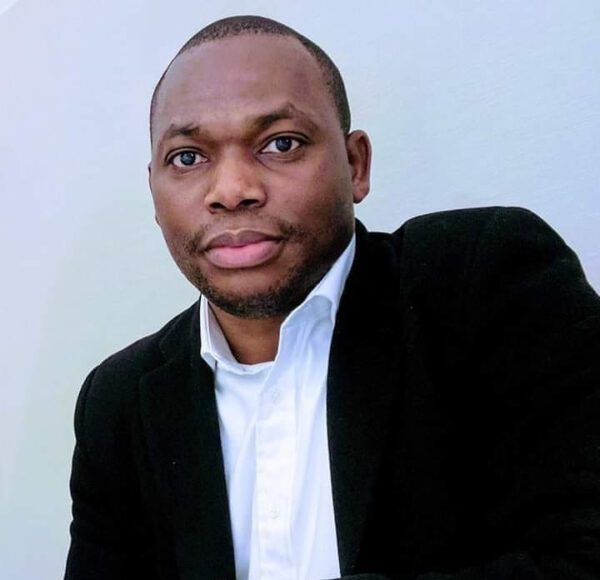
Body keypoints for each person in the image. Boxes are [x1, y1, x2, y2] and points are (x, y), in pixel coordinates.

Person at [64, 14, 600, 580]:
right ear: (154, 191)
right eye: (188, 158)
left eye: (281, 144)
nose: (232, 190)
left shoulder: (483, 283)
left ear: (356, 165)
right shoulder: (119, 402)